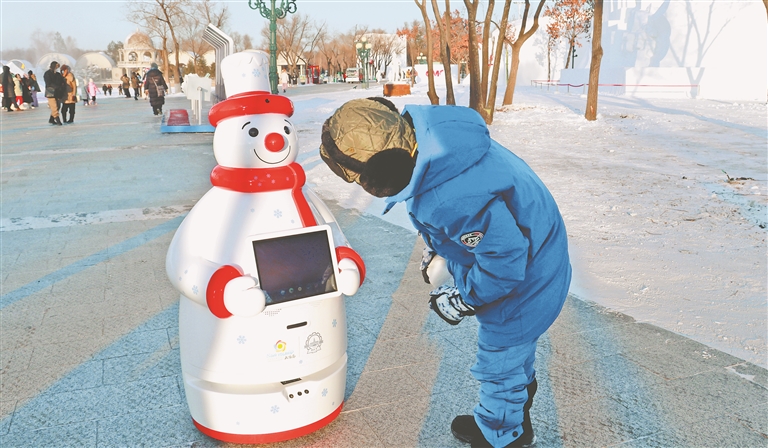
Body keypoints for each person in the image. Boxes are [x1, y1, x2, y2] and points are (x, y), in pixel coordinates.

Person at [319, 98, 572, 448]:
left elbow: (505, 260)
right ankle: (515, 413)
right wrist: (439, 247)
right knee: (514, 351)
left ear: (384, 171)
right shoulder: (436, 144)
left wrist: (465, 297)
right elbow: (474, 218)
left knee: (499, 359)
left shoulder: (446, 196)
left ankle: (501, 435)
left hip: (528, 280)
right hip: (540, 247)